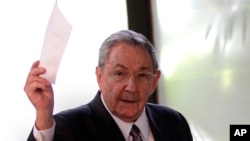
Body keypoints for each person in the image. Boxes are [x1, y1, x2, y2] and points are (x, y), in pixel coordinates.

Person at [24, 30, 193, 141]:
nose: (131, 87)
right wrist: (43, 114)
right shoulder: (69, 128)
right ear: (100, 77)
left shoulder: (173, 122)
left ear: (154, 81)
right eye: (120, 73)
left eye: (142, 75)